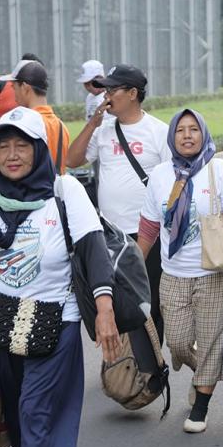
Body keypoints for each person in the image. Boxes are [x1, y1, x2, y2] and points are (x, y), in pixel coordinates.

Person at [0, 106, 118, 447]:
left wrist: (105, 310)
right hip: (5, 323)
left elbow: (93, 252)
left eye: (22, 146)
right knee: (17, 414)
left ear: (39, 150)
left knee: (37, 409)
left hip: (58, 319)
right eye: (4, 147)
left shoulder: (65, 192)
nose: (12, 155)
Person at [137, 108, 223, 434]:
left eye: (194, 129)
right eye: (181, 130)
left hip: (214, 275)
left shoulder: (218, 170)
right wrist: (135, 265)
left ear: (203, 134)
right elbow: (150, 226)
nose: (188, 135)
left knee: (210, 341)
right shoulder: (161, 175)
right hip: (173, 274)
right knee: (178, 343)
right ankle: (205, 371)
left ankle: (200, 406)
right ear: (172, 137)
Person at [66, 64, 170, 341]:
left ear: (133, 93)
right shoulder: (103, 130)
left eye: (113, 89)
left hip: (148, 233)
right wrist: (92, 123)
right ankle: (124, 369)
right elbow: (71, 160)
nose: (106, 96)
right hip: (111, 236)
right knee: (116, 301)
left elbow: (173, 185)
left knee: (149, 304)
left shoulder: (158, 132)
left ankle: (150, 371)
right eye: (105, 89)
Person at [1, 58, 69, 173]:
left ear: (25, 87)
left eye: (14, 87)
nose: (14, 94)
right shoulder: (61, 126)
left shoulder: (25, 125)